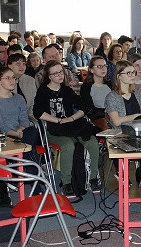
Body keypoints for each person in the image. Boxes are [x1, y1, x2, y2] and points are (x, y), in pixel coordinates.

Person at [33, 60, 100, 196]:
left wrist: (71, 118)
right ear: (49, 76)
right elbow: (38, 112)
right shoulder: (43, 91)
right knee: (68, 145)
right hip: (54, 129)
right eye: (56, 73)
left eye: (61, 71)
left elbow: (84, 108)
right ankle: (66, 183)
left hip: (72, 126)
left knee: (92, 142)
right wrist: (58, 120)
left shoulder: (66, 90)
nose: (60, 75)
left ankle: (93, 178)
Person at [0, 67, 39, 166]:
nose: (12, 81)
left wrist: (21, 130)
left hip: (22, 133)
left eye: (13, 78)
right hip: (3, 136)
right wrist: (15, 134)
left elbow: (24, 119)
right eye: (8, 78)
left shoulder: (19, 98)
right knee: (28, 146)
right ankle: (30, 170)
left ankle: (24, 168)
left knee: (32, 132)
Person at [80, 55, 111, 121]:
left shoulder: (110, 84)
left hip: (113, 115)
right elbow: (89, 109)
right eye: (99, 66)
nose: (103, 69)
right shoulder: (86, 87)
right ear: (91, 70)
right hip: (98, 118)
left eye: (105, 66)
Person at [7, 53, 36, 118]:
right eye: (18, 64)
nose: (22, 67)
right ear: (9, 66)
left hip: (29, 118)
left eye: (24, 64)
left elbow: (34, 103)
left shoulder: (30, 80)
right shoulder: (4, 82)